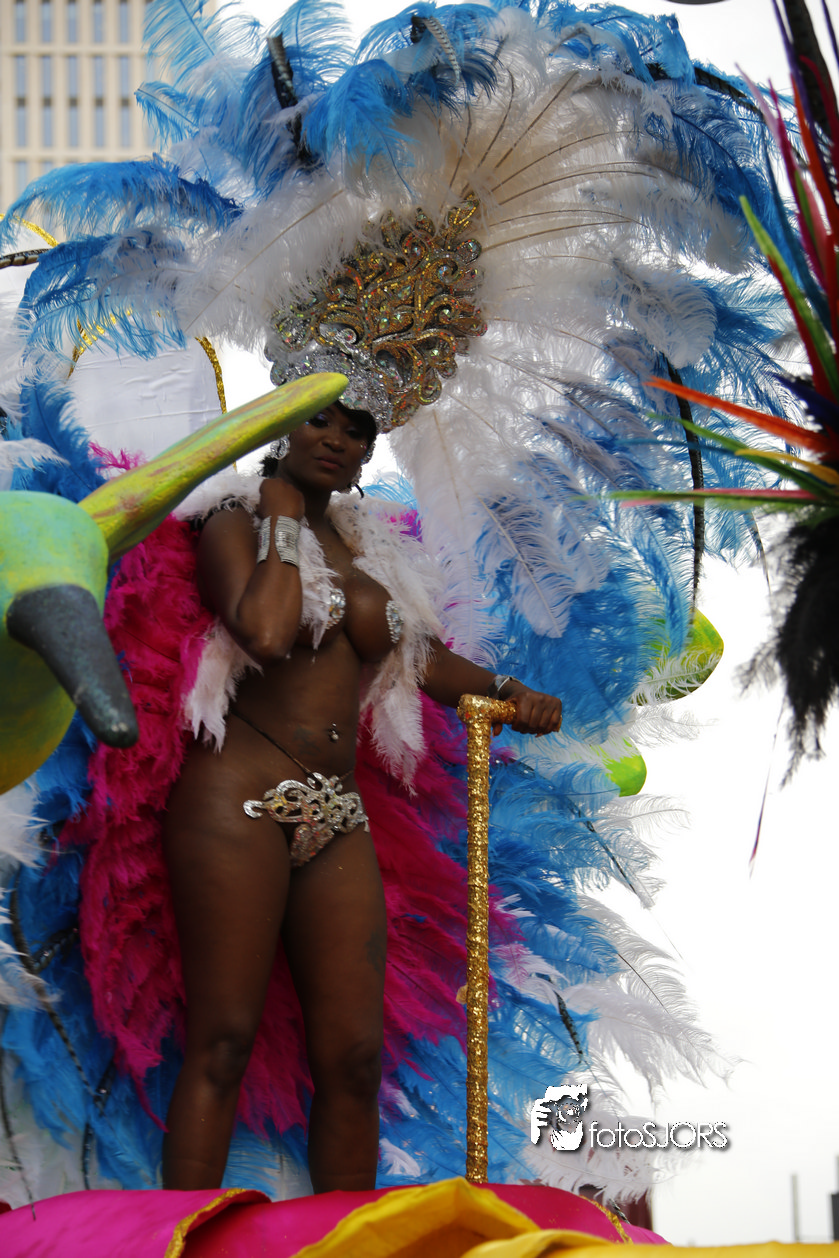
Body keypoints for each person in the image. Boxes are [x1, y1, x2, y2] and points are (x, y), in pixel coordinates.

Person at [160, 399, 563, 1193]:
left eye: (357, 432)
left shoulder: (371, 546)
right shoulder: (232, 520)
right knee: (223, 1041)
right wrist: (282, 518)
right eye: (321, 422)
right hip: (238, 798)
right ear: (279, 427)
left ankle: (347, 1240)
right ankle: (177, 1235)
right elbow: (265, 631)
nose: (338, 441)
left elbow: (420, 659)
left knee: (353, 1057)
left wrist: (508, 691)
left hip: (337, 814)